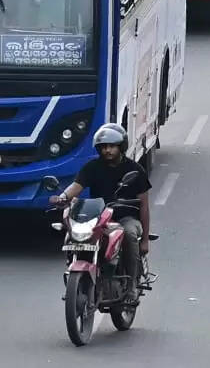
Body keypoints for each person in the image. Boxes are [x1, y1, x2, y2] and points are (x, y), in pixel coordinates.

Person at [50, 124, 151, 304]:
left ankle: (132, 285)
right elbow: (77, 187)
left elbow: (144, 205)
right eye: (104, 147)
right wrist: (63, 197)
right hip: (100, 217)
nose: (107, 150)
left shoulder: (135, 170)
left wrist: (144, 241)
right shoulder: (92, 167)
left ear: (121, 147)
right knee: (75, 234)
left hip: (126, 217)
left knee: (128, 233)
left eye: (112, 146)